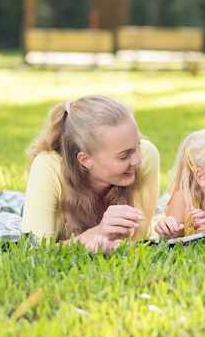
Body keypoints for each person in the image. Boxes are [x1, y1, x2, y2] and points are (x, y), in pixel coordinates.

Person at [21, 94, 160, 252]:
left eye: (138, 145)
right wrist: (98, 232)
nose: (138, 160)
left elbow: (137, 239)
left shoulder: (147, 155)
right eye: (124, 156)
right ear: (85, 160)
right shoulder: (48, 166)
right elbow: (35, 250)